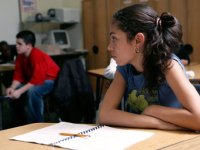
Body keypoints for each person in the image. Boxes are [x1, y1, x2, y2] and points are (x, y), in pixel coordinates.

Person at [97, 4, 200, 131]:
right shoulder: (125, 68)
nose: (109, 47)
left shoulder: (168, 66)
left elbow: (199, 118)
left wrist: (153, 110)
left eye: (114, 39)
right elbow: (104, 114)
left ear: (138, 40)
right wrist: (157, 123)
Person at [6, 30, 60, 126]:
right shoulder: (20, 57)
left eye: (19, 44)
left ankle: (36, 124)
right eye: (16, 43)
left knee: (33, 91)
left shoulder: (36, 55)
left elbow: (37, 79)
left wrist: (19, 92)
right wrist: (12, 88)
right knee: (13, 93)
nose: (16, 46)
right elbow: (18, 76)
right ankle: (19, 123)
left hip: (51, 81)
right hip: (36, 80)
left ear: (29, 45)